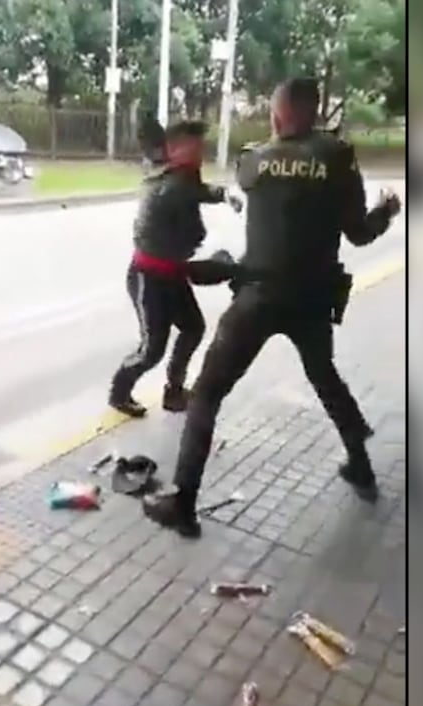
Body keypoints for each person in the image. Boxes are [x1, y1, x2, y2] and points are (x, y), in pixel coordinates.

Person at [142, 77, 402, 537]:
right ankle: (359, 462)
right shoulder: (338, 158)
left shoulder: (253, 160)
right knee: (324, 375)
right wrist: (387, 209)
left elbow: (258, 191)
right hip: (312, 299)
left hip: (258, 297)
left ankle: (183, 501)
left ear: (278, 114)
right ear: (315, 112)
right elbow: (359, 233)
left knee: (206, 393)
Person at [108, 118, 243, 417]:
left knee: (193, 328)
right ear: (174, 149)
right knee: (152, 349)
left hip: (172, 273)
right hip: (149, 277)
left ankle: (174, 391)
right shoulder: (170, 183)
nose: (199, 153)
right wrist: (221, 198)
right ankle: (119, 392)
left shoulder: (182, 176)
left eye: (200, 147)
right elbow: (188, 196)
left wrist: (222, 195)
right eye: (193, 147)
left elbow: (198, 190)